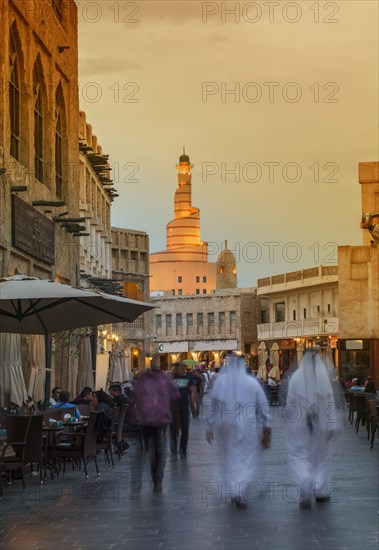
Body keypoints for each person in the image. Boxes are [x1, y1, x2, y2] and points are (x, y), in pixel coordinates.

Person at [205, 352, 271, 509]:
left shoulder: (221, 382)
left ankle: (234, 489)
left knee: (230, 458)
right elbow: (263, 405)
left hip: (226, 425)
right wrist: (266, 425)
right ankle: (239, 490)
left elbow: (213, 404)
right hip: (246, 427)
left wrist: (209, 426)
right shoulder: (251, 382)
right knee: (247, 458)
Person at [285, 346, 343, 509]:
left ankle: (305, 485)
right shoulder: (323, 378)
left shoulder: (296, 377)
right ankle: (320, 491)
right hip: (322, 425)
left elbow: (290, 403)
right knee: (321, 458)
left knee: (301, 455)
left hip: (300, 425)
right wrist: (332, 424)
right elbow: (330, 402)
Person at [132, 353, 179, 492]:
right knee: (148, 451)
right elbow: (135, 398)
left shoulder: (165, 379)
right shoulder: (144, 379)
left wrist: (176, 423)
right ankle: (150, 478)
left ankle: (157, 479)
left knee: (157, 451)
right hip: (147, 421)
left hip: (159, 421)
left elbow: (174, 400)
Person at [170, 363, 196, 459]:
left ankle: (183, 451)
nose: (181, 370)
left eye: (182, 369)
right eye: (179, 369)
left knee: (185, 430)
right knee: (173, 430)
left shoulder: (187, 378)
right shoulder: (171, 379)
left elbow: (192, 389)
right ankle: (173, 452)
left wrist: (192, 397)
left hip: (184, 407)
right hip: (172, 408)